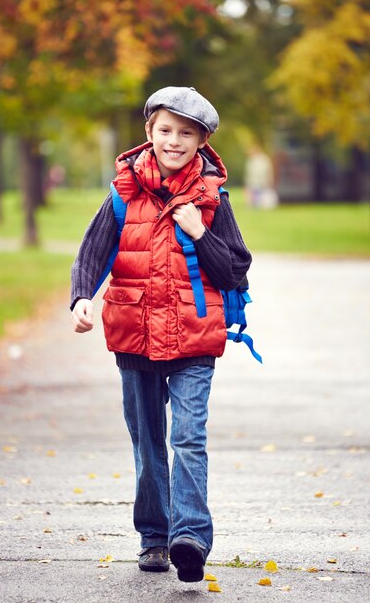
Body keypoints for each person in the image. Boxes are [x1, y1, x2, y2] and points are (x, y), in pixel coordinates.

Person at [70, 86, 252, 582]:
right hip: (134, 335)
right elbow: (91, 252)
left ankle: (190, 536)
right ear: (149, 132)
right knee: (148, 441)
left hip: (195, 334)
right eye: (165, 130)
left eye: (186, 133)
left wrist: (198, 230)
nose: (174, 141)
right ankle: (154, 536)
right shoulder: (122, 193)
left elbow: (234, 268)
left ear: (202, 141)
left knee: (188, 438)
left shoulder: (213, 198)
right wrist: (82, 297)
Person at [244, 143, 278, 209]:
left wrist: (269, 181)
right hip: (253, 183)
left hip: (262, 183)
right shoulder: (250, 161)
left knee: (263, 199)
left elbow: (268, 171)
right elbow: (249, 174)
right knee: (254, 200)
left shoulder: (264, 159)